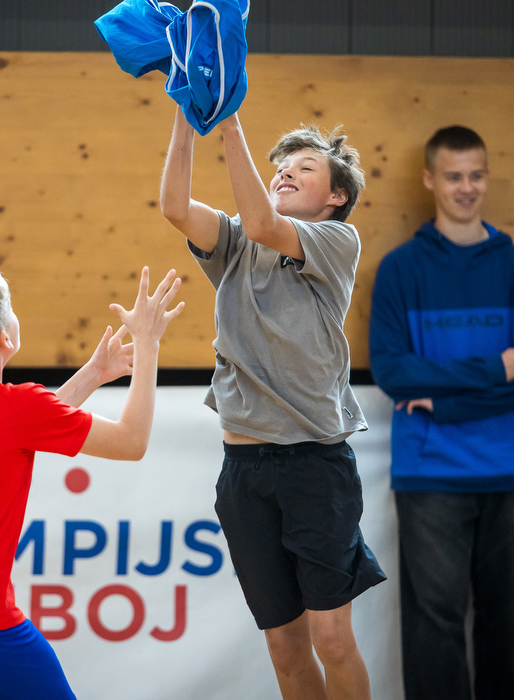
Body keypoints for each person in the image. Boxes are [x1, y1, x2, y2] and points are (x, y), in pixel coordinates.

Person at [0, 253, 184, 700]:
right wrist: (149, 342)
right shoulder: (16, 407)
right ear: (5, 337)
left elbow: (23, 429)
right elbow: (131, 441)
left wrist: (94, 374)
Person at [160, 105, 385, 699]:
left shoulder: (337, 239)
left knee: (332, 639)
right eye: (280, 166)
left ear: (336, 196)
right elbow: (175, 208)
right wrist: (186, 115)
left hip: (315, 464)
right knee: (285, 647)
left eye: (303, 168)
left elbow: (263, 223)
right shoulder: (235, 238)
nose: (285, 172)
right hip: (244, 469)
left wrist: (229, 122)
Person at [369, 125, 514, 700]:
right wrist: (491, 370)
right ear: (430, 180)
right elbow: (393, 371)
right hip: (431, 474)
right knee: (434, 627)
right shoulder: (400, 270)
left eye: (476, 175)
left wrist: (445, 405)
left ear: (487, 177)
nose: (466, 187)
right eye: (454, 176)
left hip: (513, 471)